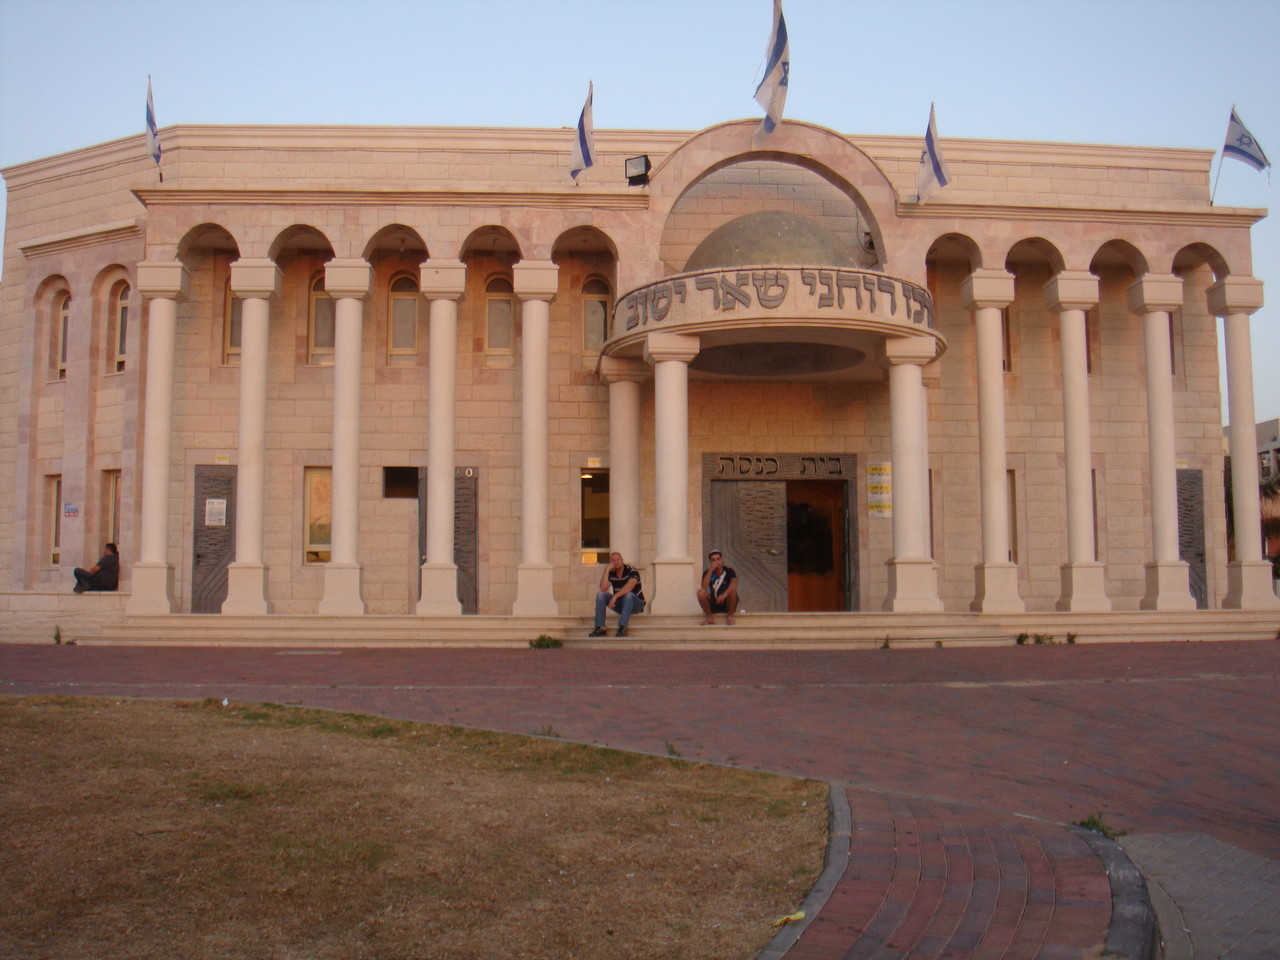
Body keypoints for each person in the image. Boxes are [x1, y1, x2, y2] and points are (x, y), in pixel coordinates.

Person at [590, 552, 644, 637]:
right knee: (600, 595)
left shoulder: (631, 570)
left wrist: (615, 596)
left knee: (628, 595)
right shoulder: (612, 573)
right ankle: (600, 627)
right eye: (613, 560)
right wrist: (606, 570)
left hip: (636, 604)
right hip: (621, 604)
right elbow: (603, 589)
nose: (616, 562)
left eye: (618, 559)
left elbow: (629, 587)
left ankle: (622, 627)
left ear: (622, 560)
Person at [697, 549, 739, 625]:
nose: (717, 562)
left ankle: (730, 617)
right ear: (710, 562)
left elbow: (734, 583)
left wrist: (724, 594)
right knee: (700, 592)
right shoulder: (707, 573)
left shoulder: (729, 571)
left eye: (718, 559)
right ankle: (709, 618)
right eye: (713, 560)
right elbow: (703, 587)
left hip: (726, 602)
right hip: (713, 602)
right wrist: (711, 570)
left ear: (722, 560)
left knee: (733, 591)